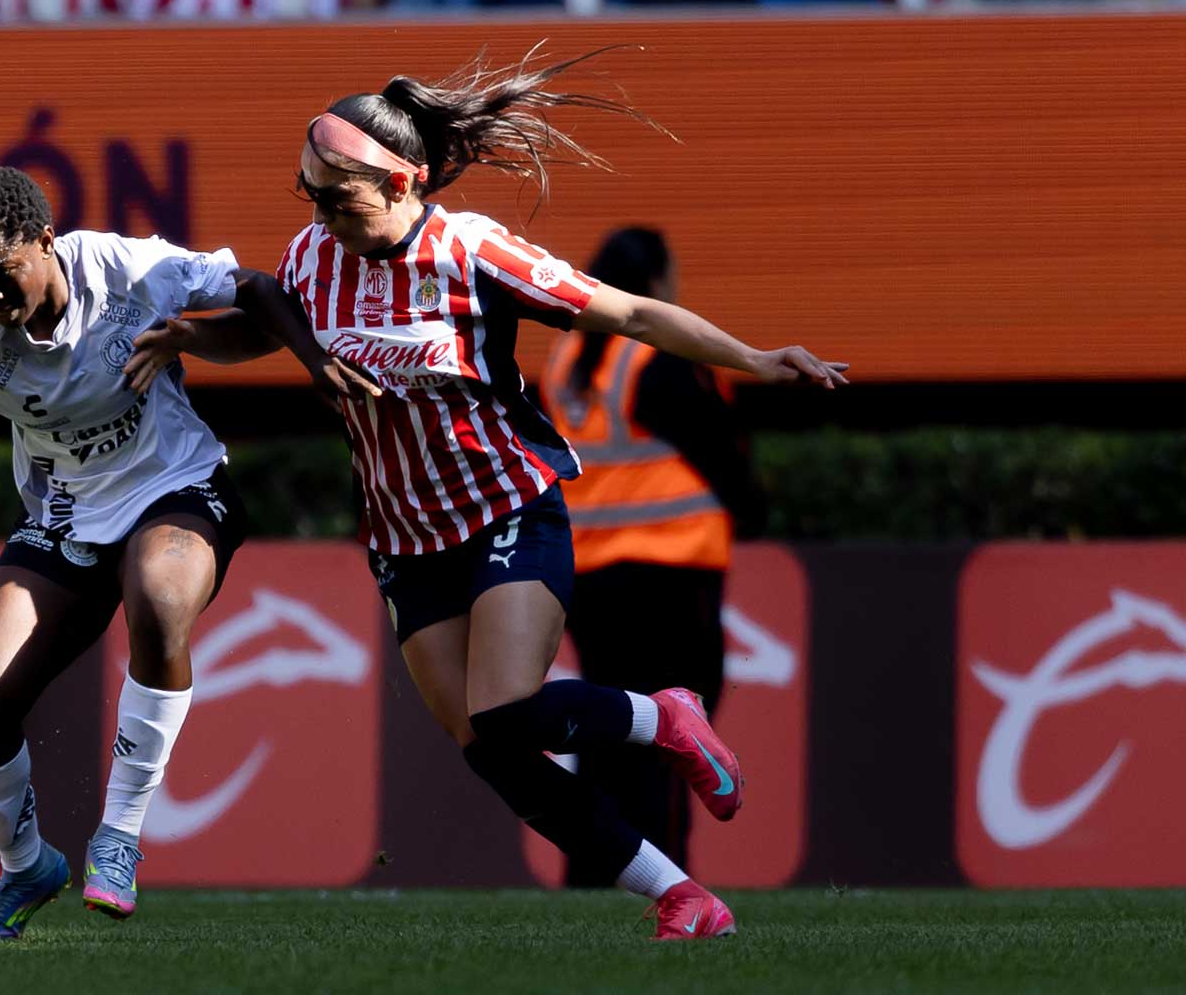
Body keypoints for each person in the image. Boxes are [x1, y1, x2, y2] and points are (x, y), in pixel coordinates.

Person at [125, 47, 846, 940]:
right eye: (310, 195)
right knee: (492, 750)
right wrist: (190, 337)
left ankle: (661, 714)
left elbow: (627, 312)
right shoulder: (314, 254)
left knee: (504, 708)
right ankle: (681, 895)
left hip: (506, 507)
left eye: (338, 199)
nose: (320, 215)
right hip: (403, 540)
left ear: (403, 183)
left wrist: (753, 358)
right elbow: (265, 333)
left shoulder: (471, 250)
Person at [0, 167, 364, 940]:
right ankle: (27, 868)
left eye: (0, 272)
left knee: (159, 597)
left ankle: (118, 835)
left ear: (45, 242)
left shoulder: (126, 268)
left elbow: (253, 287)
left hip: (176, 485)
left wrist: (314, 360)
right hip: (63, 516)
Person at [541, 227, 766, 887]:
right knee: (677, 734)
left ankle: (597, 873)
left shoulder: (565, 356)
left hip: (588, 574)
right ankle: (668, 879)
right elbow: (718, 449)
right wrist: (754, 511)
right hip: (670, 570)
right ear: (657, 284)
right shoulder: (656, 356)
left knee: (611, 732)